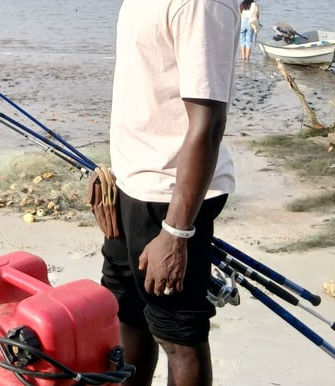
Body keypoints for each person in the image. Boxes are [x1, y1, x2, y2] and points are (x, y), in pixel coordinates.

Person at [101, 0, 238, 385]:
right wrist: (112, 174)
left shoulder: (200, 5)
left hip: (171, 194)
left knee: (176, 333)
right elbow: (146, 90)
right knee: (125, 312)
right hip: (131, 185)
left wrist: (176, 232)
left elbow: (209, 122)